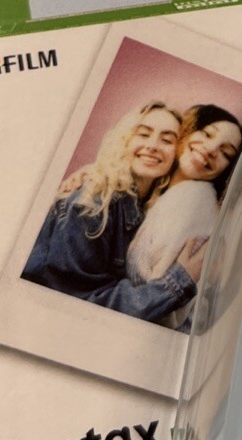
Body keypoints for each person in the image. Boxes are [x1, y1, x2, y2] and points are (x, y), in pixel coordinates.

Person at [22, 100, 204, 322]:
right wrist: (179, 282)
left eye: (167, 140)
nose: (153, 145)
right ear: (124, 141)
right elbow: (79, 305)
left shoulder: (151, 205)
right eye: (143, 134)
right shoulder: (92, 204)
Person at [126, 106, 242, 321]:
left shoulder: (195, 197)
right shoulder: (157, 190)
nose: (211, 149)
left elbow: (161, 304)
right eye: (207, 134)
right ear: (187, 132)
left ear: (227, 171)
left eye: (226, 153)